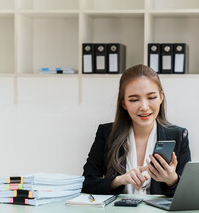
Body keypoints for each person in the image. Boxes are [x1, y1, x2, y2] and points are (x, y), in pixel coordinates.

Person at [82, 64, 191, 196]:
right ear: (124, 104)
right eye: (134, 99)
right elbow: (86, 184)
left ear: (161, 97)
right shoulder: (106, 133)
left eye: (151, 97)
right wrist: (119, 180)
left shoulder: (179, 135)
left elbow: (189, 193)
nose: (144, 107)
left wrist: (171, 179)